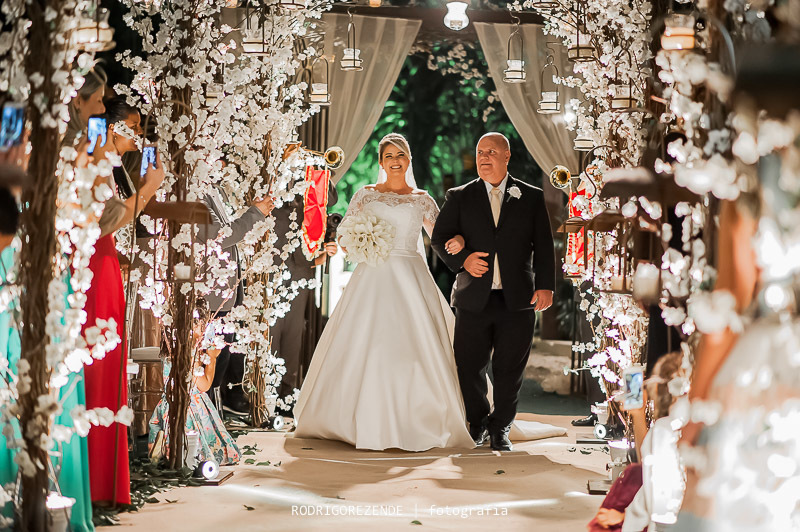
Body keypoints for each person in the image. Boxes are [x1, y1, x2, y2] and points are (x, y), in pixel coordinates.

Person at [293, 133, 474, 451]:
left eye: (400, 155)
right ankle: (350, 419)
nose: (394, 160)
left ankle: (418, 417)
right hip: (372, 276)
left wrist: (462, 248)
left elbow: (441, 237)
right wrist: (357, 241)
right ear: (380, 162)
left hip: (410, 275)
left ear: (408, 160)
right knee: (366, 342)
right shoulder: (365, 194)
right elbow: (347, 231)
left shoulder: (421, 199)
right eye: (388, 156)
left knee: (415, 344)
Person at [431, 132, 556, 451]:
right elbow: (439, 236)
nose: (483, 157)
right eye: (479, 152)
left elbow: (543, 245)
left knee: (509, 368)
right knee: (468, 364)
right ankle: (478, 422)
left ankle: (501, 427)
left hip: (518, 299)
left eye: (490, 152)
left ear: (506, 156)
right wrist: (462, 259)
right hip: (473, 298)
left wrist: (545, 286)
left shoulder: (530, 196)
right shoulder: (459, 196)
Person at [82, 96, 164, 505]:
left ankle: (104, 478)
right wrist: (149, 188)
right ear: (112, 127)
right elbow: (107, 220)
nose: (139, 134)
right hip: (96, 267)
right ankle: (96, 479)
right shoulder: (96, 161)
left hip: (108, 263)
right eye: (133, 126)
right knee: (99, 362)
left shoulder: (110, 164)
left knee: (111, 363)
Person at [203, 183, 273, 417]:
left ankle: (213, 417)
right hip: (210, 292)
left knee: (221, 357)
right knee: (211, 360)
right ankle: (206, 419)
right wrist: (255, 213)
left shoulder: (216, 189)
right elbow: (219, 236)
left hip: (223, 292)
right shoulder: (196, 191)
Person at [149, 299, 240, 465]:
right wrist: (212, 359)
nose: (204, 330)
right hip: (191, 406)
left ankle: (163, 446)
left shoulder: (171, 348)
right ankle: (185, 452)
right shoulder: (190, 352)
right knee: (211, 449)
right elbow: (204, 385)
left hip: (169, 403)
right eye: (201, 325)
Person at [271, 192, 338, 415]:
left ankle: (287, 396)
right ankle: (267, 396)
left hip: (300, 272)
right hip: (269, 271)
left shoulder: (309, 182)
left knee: (293, 338)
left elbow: (331, 197)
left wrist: (323, 255)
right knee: (272, 337)